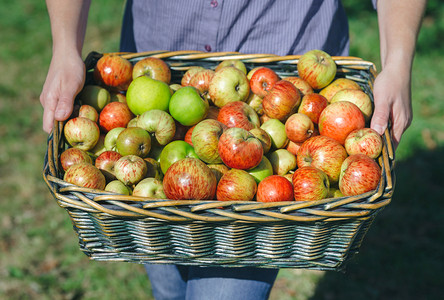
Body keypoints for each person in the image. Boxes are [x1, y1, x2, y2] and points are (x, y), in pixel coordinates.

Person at [40, 1, 427, 299]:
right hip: (156, 67)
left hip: (288, 71)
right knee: (168, 284)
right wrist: (63, 46)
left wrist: (398, 63)